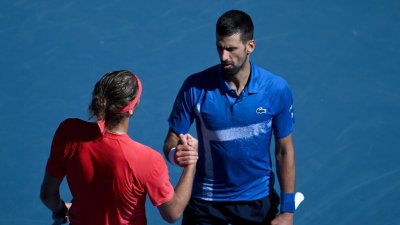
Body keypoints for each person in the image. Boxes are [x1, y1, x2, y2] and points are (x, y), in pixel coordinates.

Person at [163, 10, 297, 225]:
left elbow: (284, 150)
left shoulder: (276, 89)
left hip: (257, 202)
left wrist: (287, 211)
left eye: (231, 49)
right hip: (205, 203)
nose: (224, 56)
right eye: (220, 47)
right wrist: (176, 153)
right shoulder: (194, 87)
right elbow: (171, 139)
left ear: (250, 46)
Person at [40, 70, 199, 225]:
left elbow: (48, 196)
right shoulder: (148, 159)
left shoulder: (68, 132)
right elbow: (172, 213)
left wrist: (61, 209)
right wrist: (192, 162)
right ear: (130, 109)